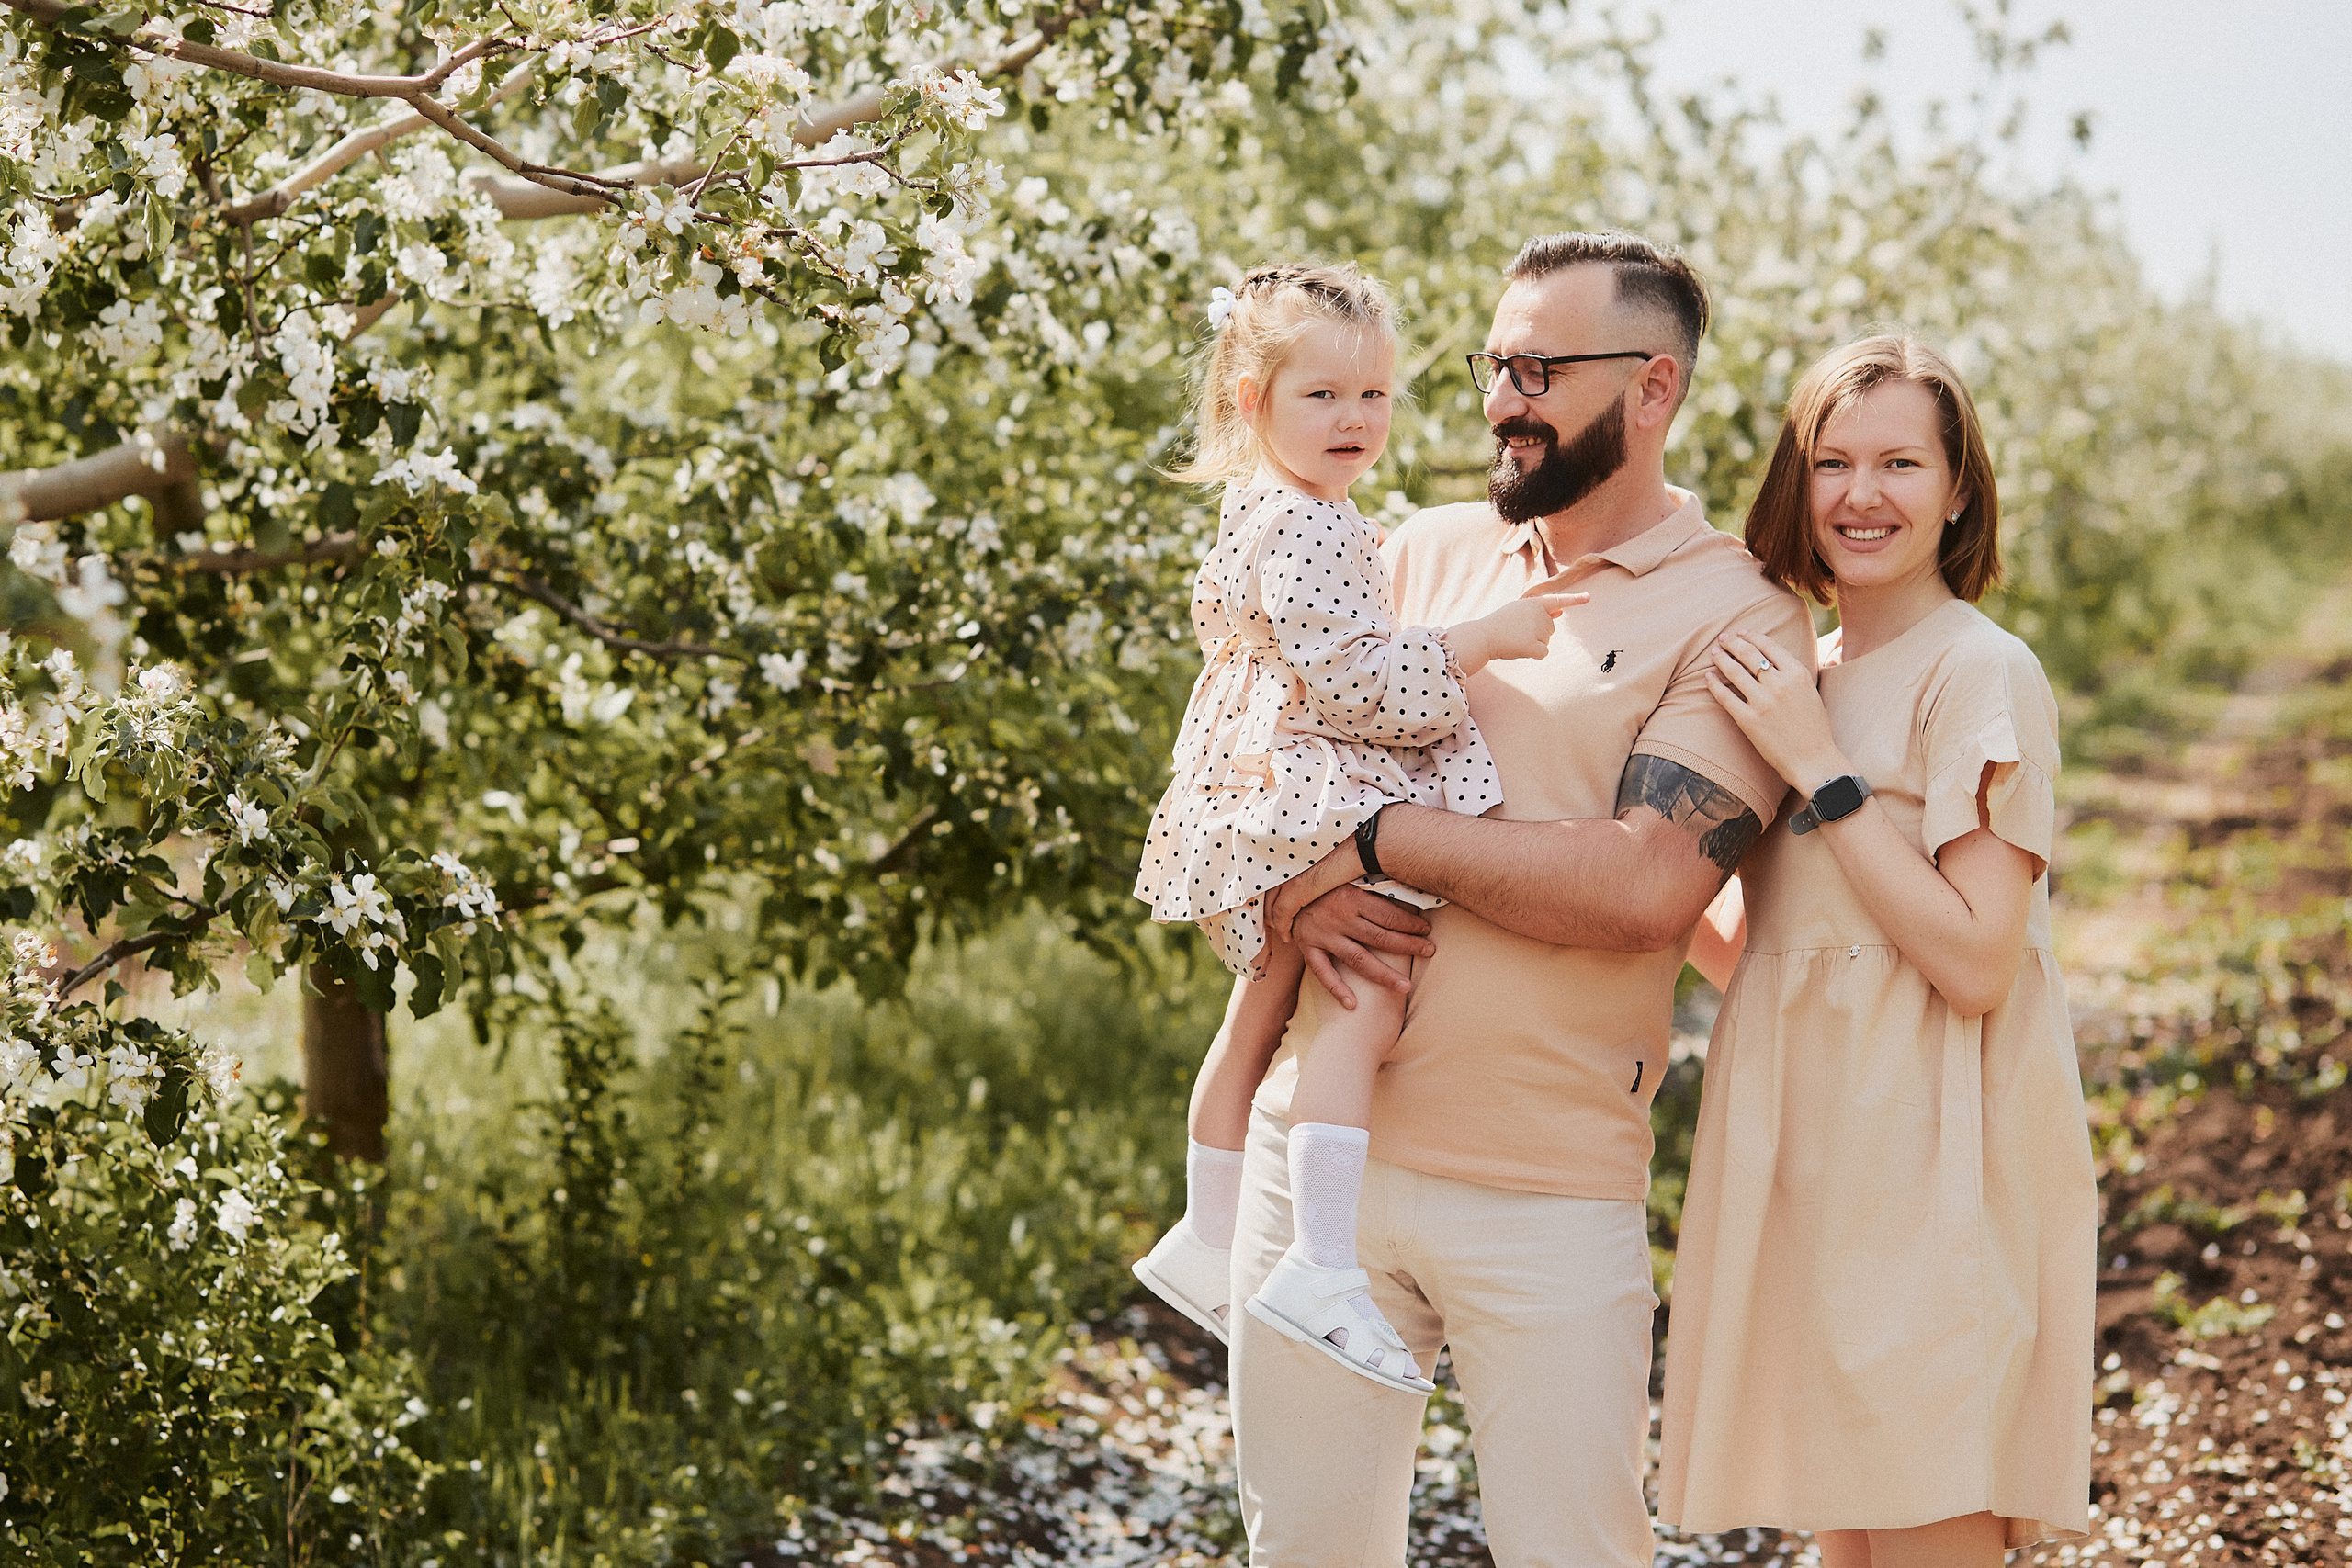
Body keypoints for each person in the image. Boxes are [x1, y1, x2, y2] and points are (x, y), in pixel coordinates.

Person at [1227, 232, 1816, 1566]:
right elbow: (1241, 757)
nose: (1504, 396)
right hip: (1319, 1165)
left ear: (1653, 388)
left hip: (1546, 1192)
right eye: (1497, 362)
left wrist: (1370, 836)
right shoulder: (1406, 550)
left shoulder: (1738, 616)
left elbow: (1644, 881)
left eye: (1542, 367)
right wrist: (1296, 886)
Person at [1657, 333, 2097, 1564]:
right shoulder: (1795, 671)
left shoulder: (1978, 670)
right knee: (1842, 1542)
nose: (1862, 494)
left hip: (1936, 1166)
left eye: (1901, 462)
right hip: (1812, 1152)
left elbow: (1973, 961)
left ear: (1959, 489)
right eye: (1832, 461)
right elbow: (1779, 951)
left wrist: (1820, 769)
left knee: (1927, 1521)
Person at [1129, 263, 1579, 1393]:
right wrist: (1482, 639)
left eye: (1374, 397)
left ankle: (1204, 1234)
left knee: (1260, 1005)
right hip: (1299, 781)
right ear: (1250, 399)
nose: (1355, 421)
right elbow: (1351, 683)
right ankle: (1321, 1267)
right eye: (1322, 397)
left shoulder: (1260, 507)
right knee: (1363, 994)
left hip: (1243, 775)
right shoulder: (1318, 526)